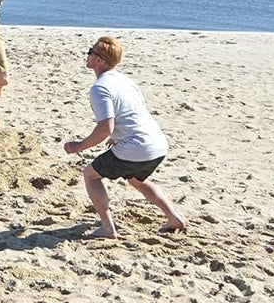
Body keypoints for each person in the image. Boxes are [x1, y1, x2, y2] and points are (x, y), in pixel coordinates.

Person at [63, 36, 186, 239]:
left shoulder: (100, 88)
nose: (87, 55)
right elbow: (133, 114)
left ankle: (107, 228)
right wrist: (119, 137)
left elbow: (105, 127)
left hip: (137, 146)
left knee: (90, 175)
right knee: (137, 180)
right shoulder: (125, 80)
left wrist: (79, 146)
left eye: (90, 51)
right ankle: (174, 218)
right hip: (157, 144)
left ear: (99, 60)